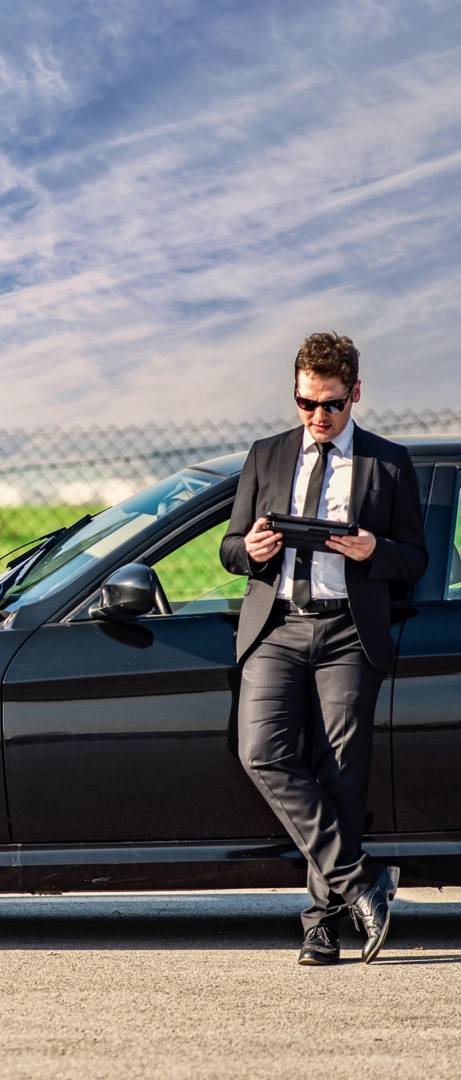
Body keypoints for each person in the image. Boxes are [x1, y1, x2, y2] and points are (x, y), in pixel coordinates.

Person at [220, 332, 427, 966]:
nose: (317, 415)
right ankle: (363, 881)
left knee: (341, 776)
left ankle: (322, 924)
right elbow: (230, 547)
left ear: (355, 393)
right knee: (261, 752)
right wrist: (250, 550)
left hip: (348, 633)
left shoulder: (389, 463)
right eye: (306, 402)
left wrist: (375, 550)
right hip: (277, 628)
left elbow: (415, 559)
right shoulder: (267, 454)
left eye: (331, 404)